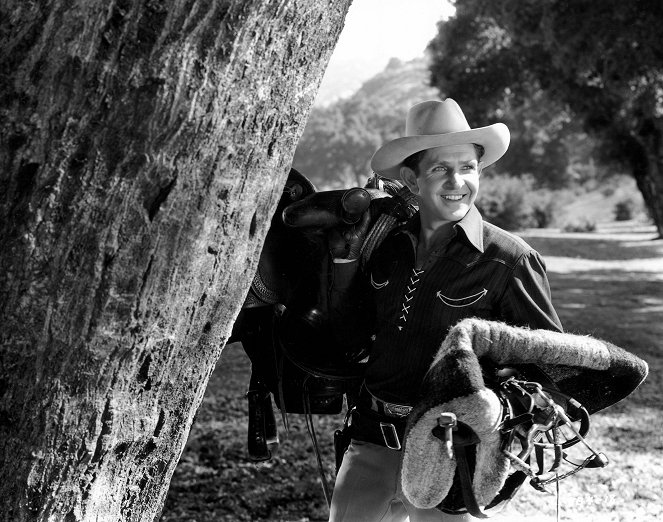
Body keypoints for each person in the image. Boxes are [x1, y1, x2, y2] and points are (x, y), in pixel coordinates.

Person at [327, 99, 563, 522]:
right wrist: (344, 265)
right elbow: (350, 335)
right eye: (440, 169)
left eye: (468, 168)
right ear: (411, 179)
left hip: (452, 451)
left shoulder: (508, 260)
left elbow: (549, 366)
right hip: (370, 437)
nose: (458, 181)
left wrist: (498, 428)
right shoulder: (383, 246)